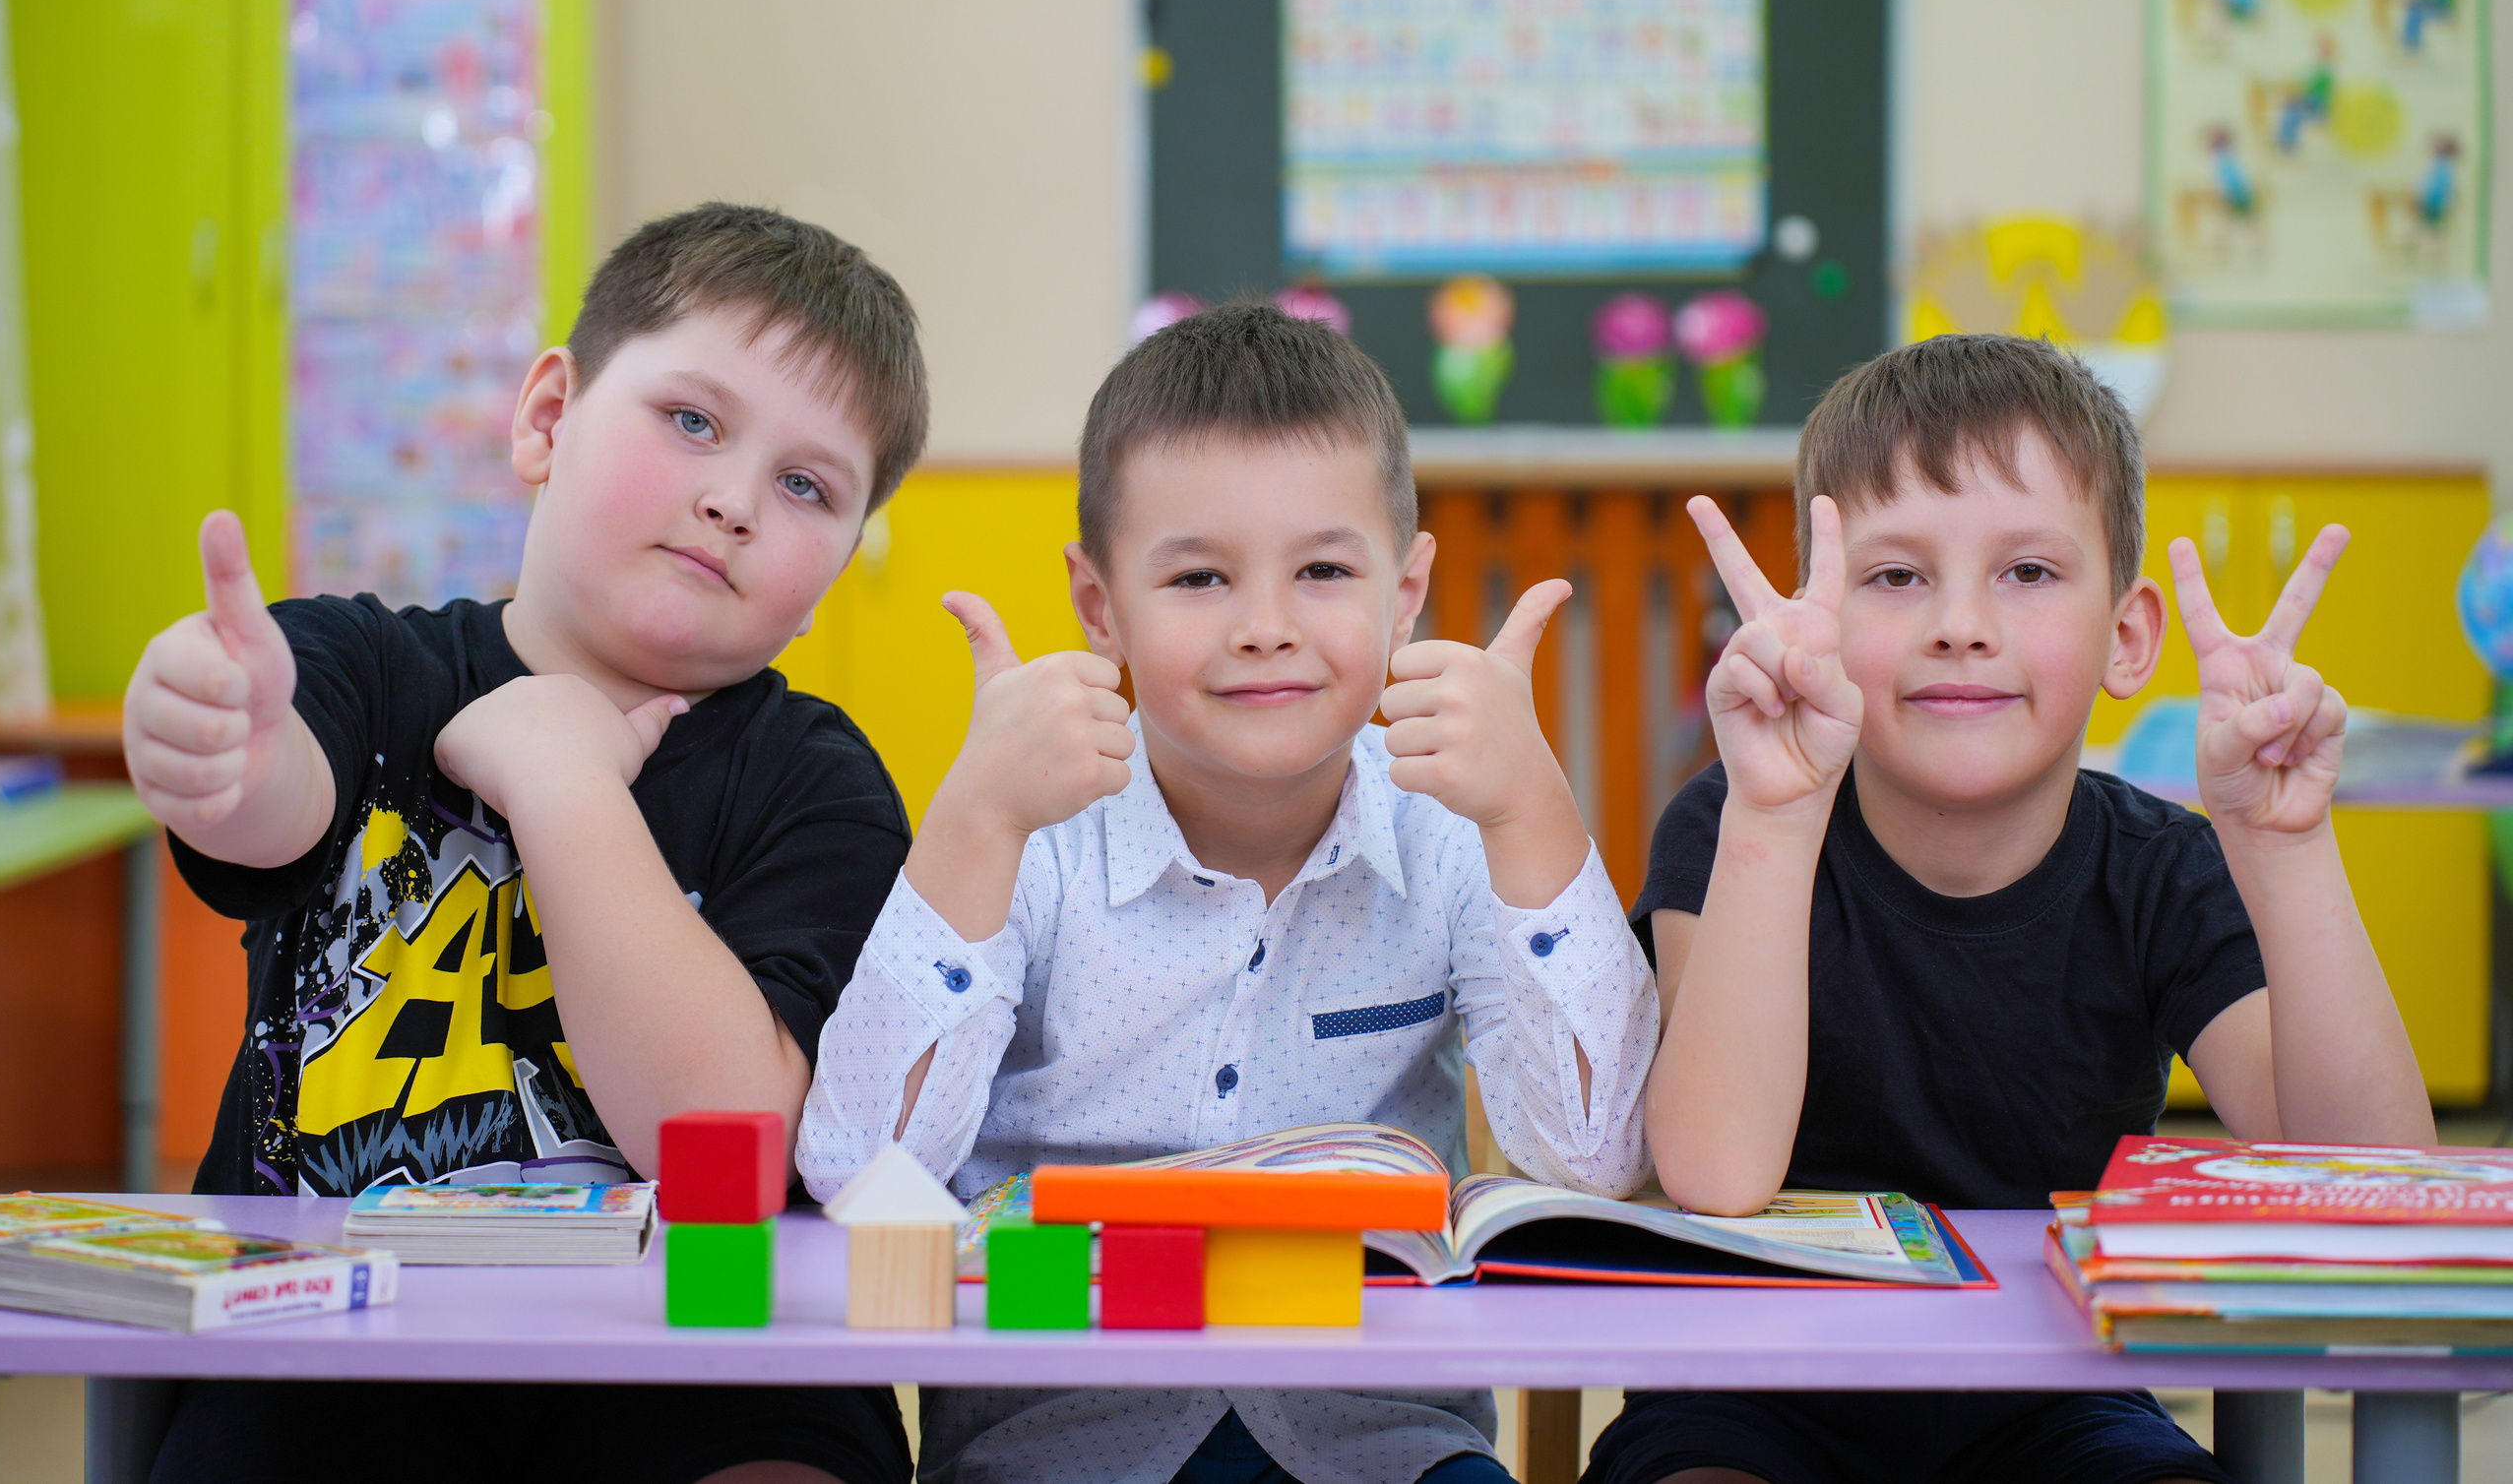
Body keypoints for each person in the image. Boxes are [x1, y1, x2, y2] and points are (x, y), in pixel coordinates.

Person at [122, 203, 930, 1484]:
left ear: (838, 557)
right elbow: (263, 798)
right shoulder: (366, 662)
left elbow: (721, 1132)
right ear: (547, 416)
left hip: (704, 1356)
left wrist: (561, 779)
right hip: (338, 1353)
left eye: (806, 485)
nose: (731, 499)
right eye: (693, 420)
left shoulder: (821, 785)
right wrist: (211, 729)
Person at [799, 299, 1660, 1484]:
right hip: (1058, 1444)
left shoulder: (1452, 829)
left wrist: (1534, 816)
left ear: (1402, 595)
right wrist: (972, 824)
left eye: (1321, 570)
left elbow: (1596, 1159)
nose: (1264, 628)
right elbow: (856, 1169)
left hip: (1383, 1443)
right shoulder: (1035, 837)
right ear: (1099, 605)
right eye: (1199, 577)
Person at [1584, 334, 2433, 1484]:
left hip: (2057, 1400)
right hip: (1750, 1399)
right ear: (1815, 617)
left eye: (2025, 573)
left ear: (2127, 638)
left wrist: (2287, 849)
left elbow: (2371, 1186)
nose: (1959, 625)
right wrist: (1774, 824)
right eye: (1896, 577)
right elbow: (1714, 1172)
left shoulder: (2163, 870)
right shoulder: (1730, 824)